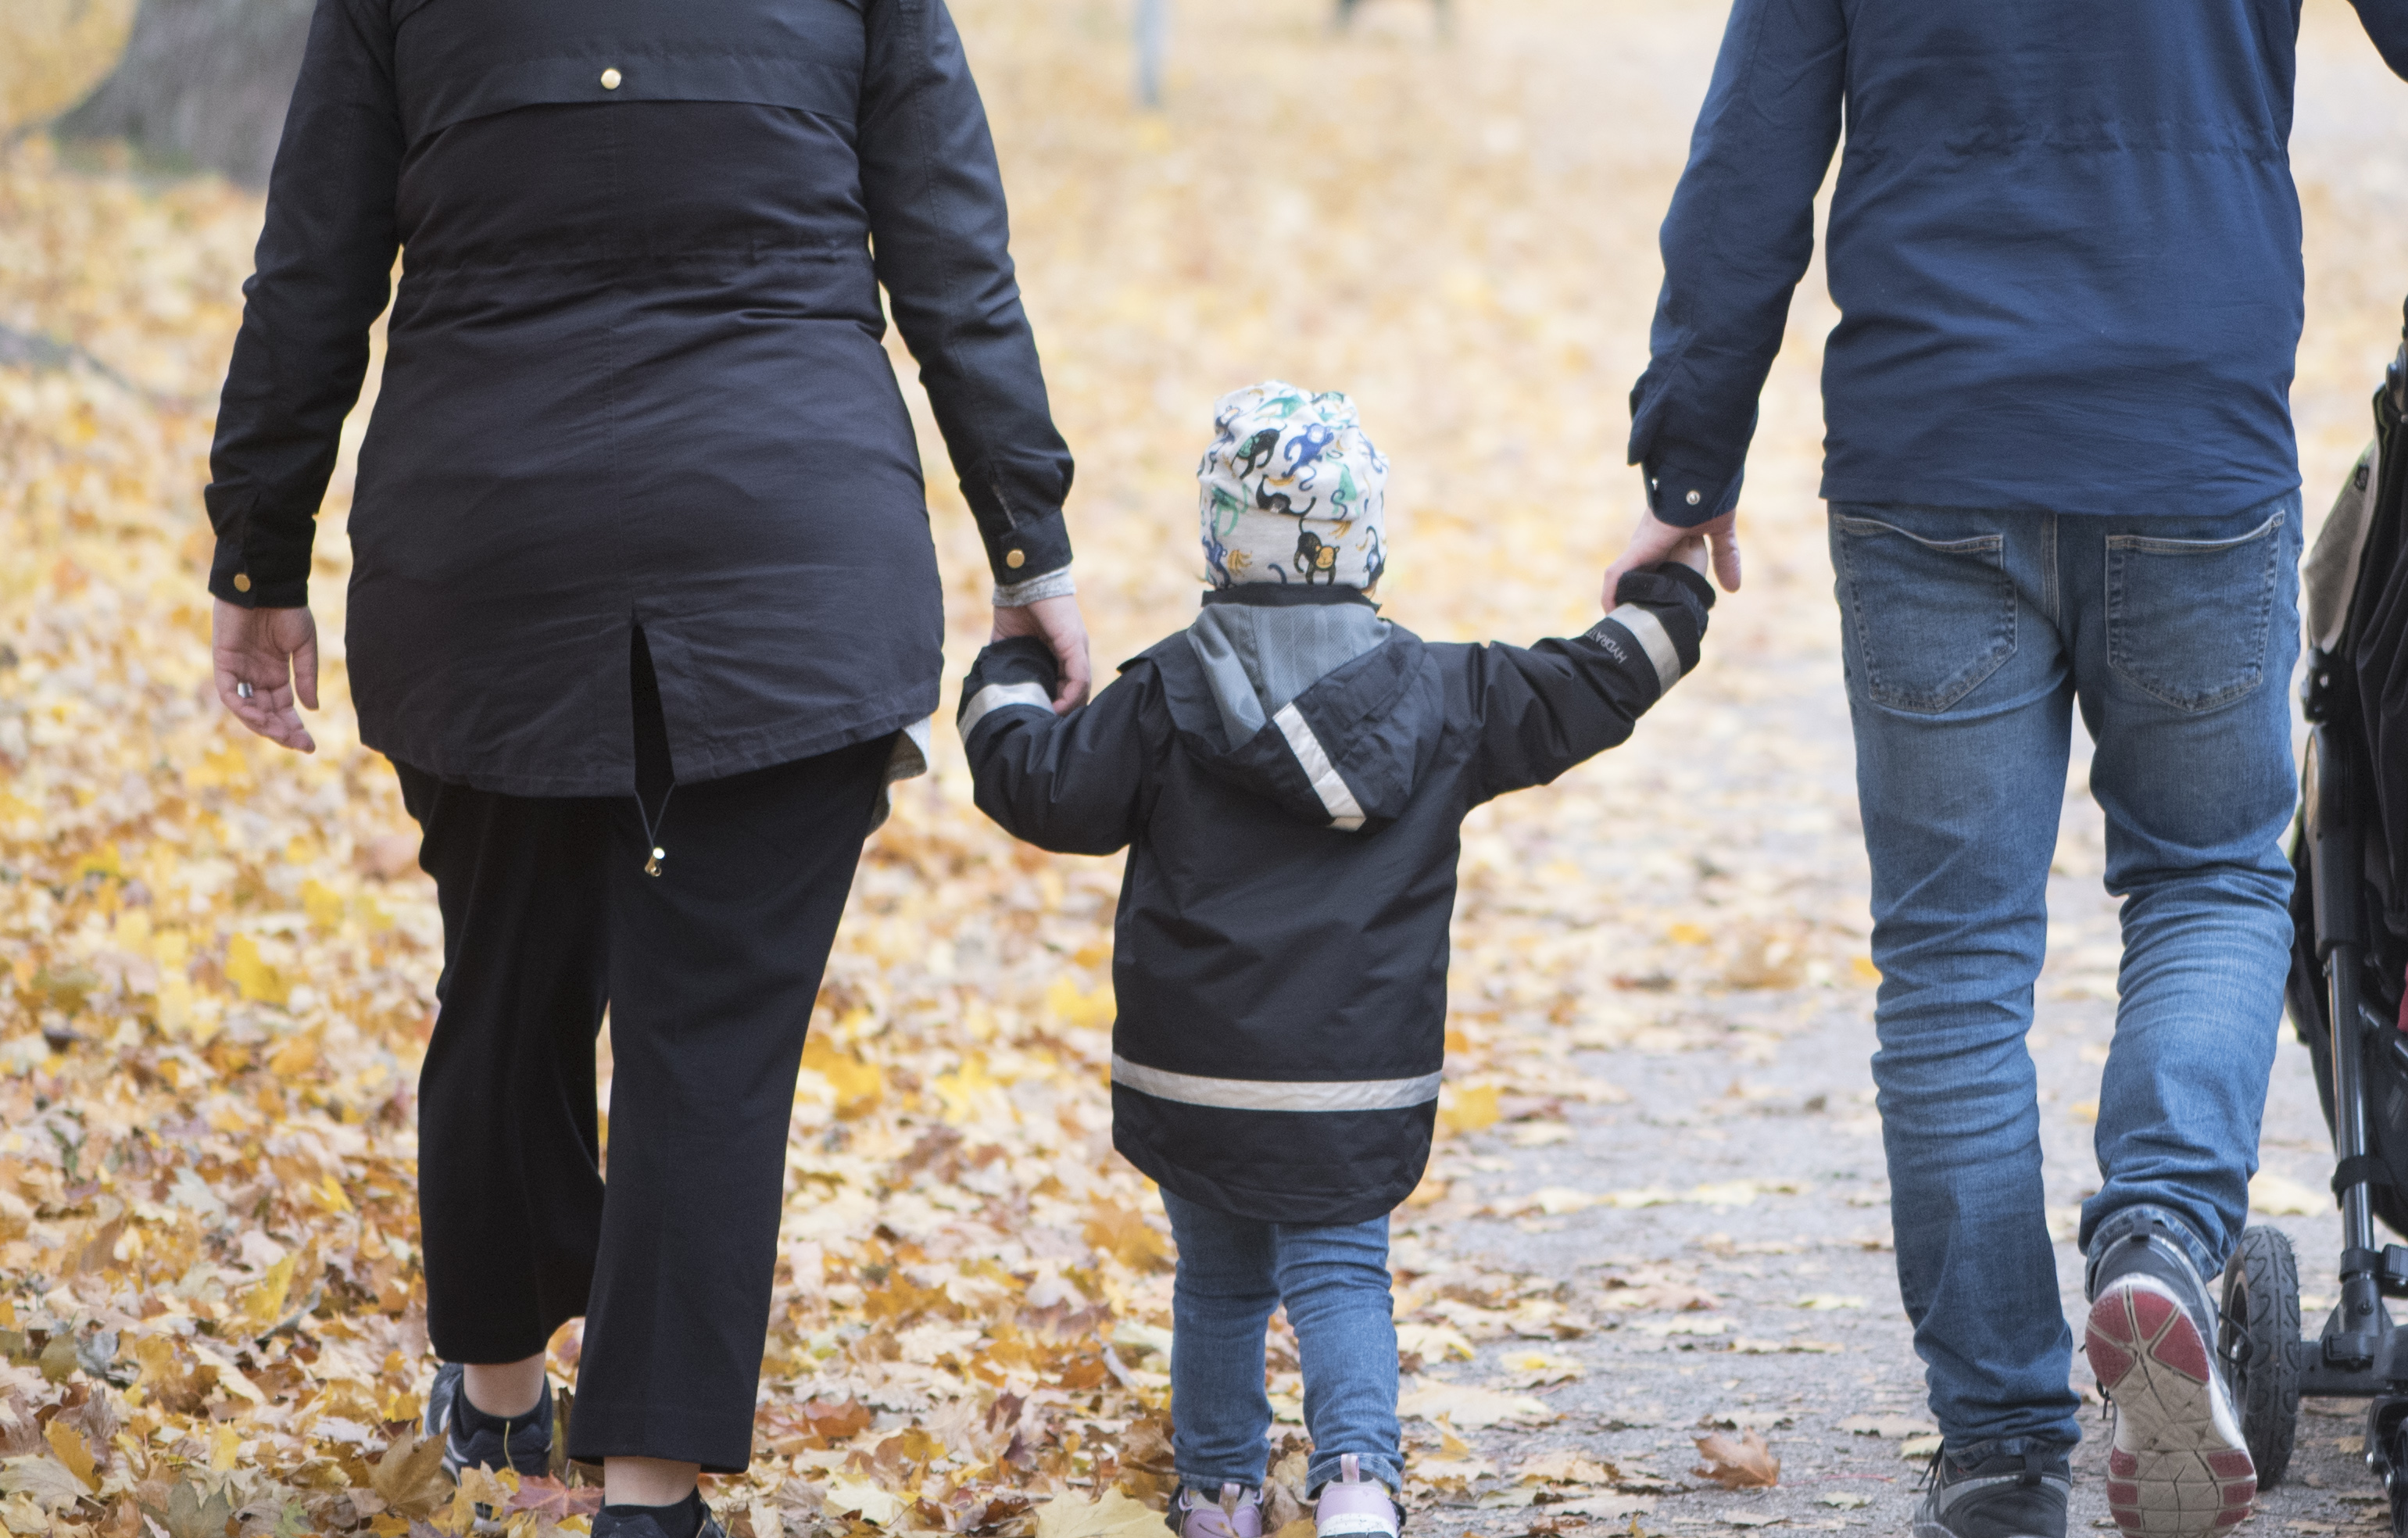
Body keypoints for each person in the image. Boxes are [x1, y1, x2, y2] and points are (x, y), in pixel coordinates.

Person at [201, 2, 1089, 1534]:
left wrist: (257, 553)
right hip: (785, 557)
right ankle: (647, 1492)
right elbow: (954, 259)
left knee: (503, 976)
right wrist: (1029, 547)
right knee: (712, 1046)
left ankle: (491, 1408)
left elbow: (313, 267)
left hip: (491, 557)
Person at [1601, 5, 2408, 1538]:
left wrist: (1685, 461)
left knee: (1950, 960)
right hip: (2189, 425)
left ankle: (1992, 1447)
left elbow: (1749, 151)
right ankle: (2159, 1243)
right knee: (2210, 879)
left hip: (1930, 443)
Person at [955, 383, 1714, 1538]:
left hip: (1194, 1079)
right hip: (1355, 1080)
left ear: (1217, 537)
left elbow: (1035, 783)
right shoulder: (1451, 695)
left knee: (1216, 1280)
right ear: (1366, 536)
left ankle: (1216, 1493)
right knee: (1341, 1271)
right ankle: (1357, 1481)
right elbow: (1598, 684)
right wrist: (1668, 580)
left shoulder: (1160, 696)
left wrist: (1007, 667)